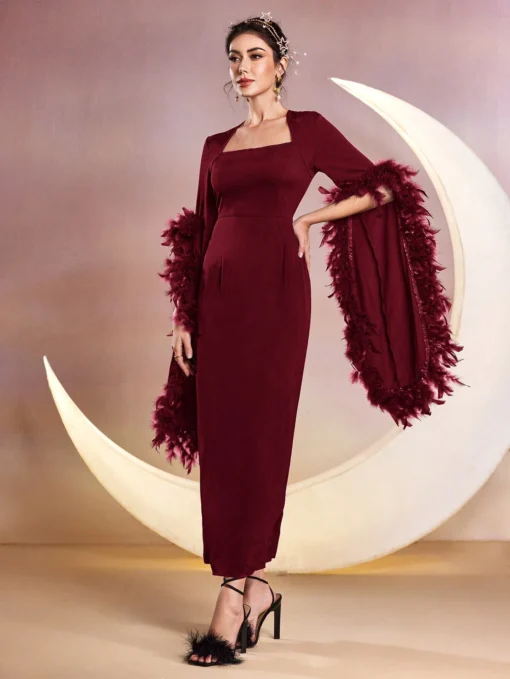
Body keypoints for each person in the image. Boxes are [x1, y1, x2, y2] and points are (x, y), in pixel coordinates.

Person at [151, 12, 464, 667]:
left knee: (261, 436)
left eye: (255, 56)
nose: (243, 68)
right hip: (217, 299)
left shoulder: (309, 129)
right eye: (235, 57)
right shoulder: (216, 145)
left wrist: (314, 216)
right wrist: (184, 314)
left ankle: (232, 591)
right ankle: (256, 588)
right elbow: (201, 228)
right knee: (225, 439)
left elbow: (384, 187)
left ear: (280, 64)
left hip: (275, 299)